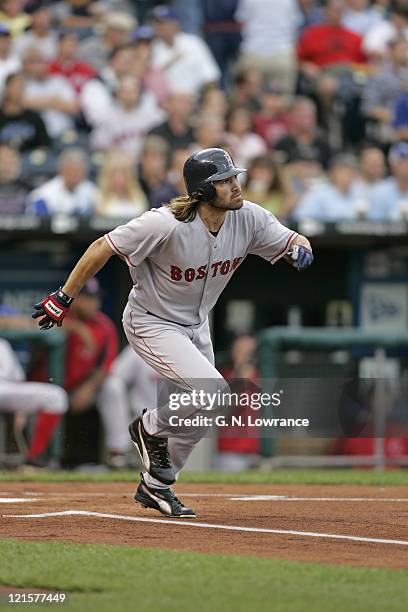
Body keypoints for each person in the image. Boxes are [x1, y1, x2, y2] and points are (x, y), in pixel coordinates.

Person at [32, 147, 313, 518]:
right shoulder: (163, 223)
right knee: (212, 391)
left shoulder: (249, 218)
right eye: (224, 181)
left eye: (233, 177)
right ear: (203, 190)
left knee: (205, 410)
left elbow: (293, 238)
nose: (234, 185)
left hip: (197, 325)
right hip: (152, 321)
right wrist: (65, 296)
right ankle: (148, 427)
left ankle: (157, 486)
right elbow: (103, 246)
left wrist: (299, 248)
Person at [0, 337, 68, 466]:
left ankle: (34, 457)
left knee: (56, 396)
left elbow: (17, 378)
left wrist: (20, 408)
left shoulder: (2, 344)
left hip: (6, 389)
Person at [27, 147, 96, 216]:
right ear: (61, 171)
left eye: (78, 172)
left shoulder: (92, 192)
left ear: (84, 174)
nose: (74, 176)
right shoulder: (44, 195)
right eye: (70, 171)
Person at [95, 149, 148, 219]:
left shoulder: (138, 196)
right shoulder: (99, 197)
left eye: (124, 173)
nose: (119, 178)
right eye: (114, 174)